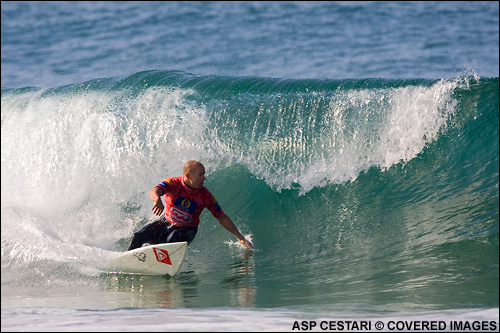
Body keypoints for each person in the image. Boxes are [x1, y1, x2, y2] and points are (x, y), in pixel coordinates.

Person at [128, 160, 253, 250]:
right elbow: (156, 190)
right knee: (138, 236)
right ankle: (129, 261)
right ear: (188, 176)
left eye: (204, 174)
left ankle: (164, 268)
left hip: (187, 230)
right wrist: (157, 199)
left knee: (172, 239)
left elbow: (222, 217)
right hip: (166, 223)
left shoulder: (206, 196)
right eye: (200, 175)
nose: (204, 178)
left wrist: (240, 237)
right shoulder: (173, 183)